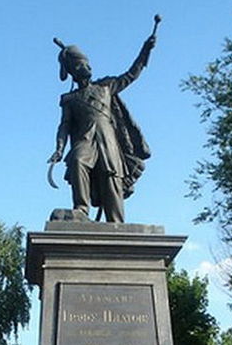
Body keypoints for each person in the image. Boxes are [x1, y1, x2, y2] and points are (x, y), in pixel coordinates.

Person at [47, 19, 156, 224]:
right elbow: (64, 126)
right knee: (77, 160)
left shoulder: (106, 87)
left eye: (87, 62)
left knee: (111, 177)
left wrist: (145, 50)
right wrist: (59, 149)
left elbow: (131, 74)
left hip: (107, 140)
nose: (86, 66)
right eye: (80, 64)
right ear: (72, 71)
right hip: (84, 140)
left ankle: (116, 222)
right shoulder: (69, 99)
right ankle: (81, 209)